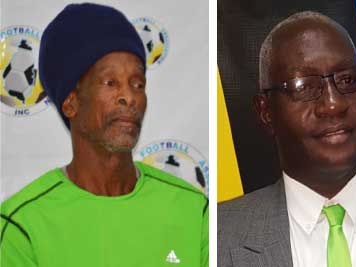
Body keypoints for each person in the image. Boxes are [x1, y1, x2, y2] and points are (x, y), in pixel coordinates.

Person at [0, 3, 208, 267]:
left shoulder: (192, 209)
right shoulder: (22, 226)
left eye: (138, 84)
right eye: (110, 83)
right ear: (71, 102)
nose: (129, 97)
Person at [217, 11, 356, 267]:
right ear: (266, 112)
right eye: (305, 87)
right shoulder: (220, 236)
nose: (333, 104)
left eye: (348, 80)